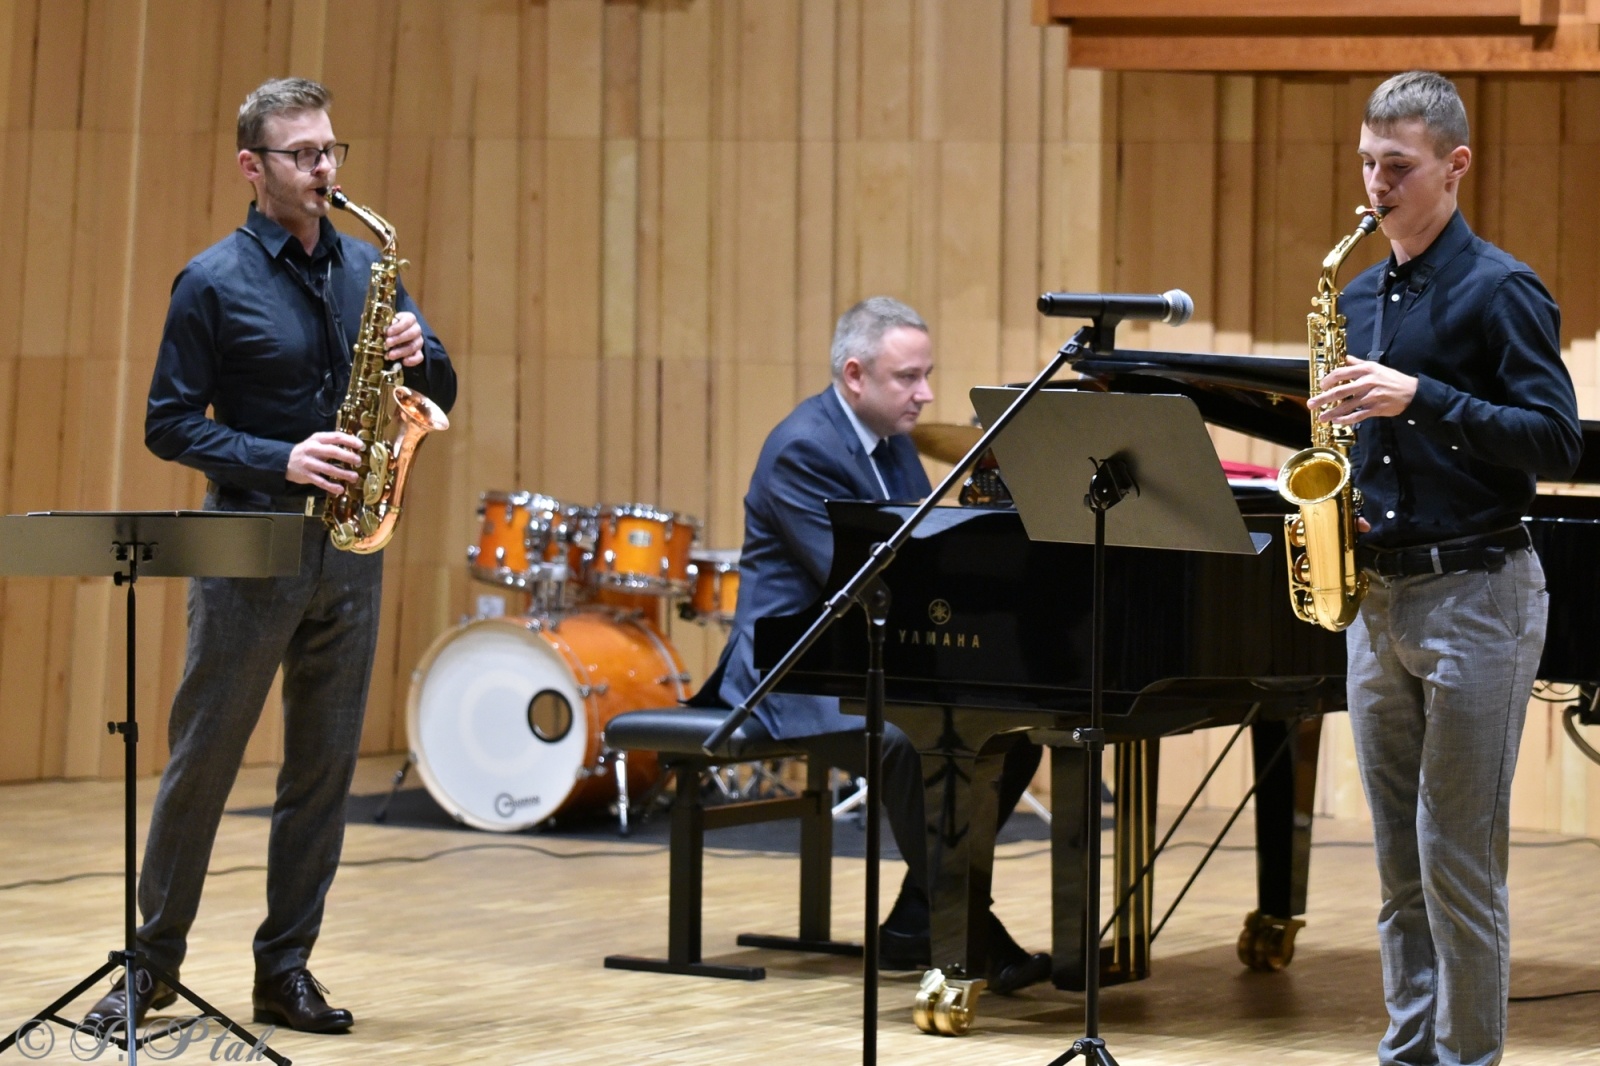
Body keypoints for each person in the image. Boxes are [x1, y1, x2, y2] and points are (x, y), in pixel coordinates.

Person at [81, 77, 457, 1036]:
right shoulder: (210, 281)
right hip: (251, 548)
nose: (325, 168)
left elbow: (441, 387)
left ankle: (285, 969)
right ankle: (151, 965)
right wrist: (279, 457)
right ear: (254, 168)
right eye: (303, 154)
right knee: (203, 762)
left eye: (332, 150)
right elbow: (170, 425)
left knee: (322, 771)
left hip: (352, 550)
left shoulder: (369, 268)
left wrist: (425, 350)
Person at [1310, 71, 1580, 1066]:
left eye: (1397, 167)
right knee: (1396, 863)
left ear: (1454, 166)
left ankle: (1469, 1059)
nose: (1374, 186)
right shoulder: (1356, 295)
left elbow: (1554, 441)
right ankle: (1407, 1052)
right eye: (1367, 164)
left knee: (1455, 855)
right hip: (1378, 597)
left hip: (1477, 593)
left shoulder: (1498, 289)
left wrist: (1421, 395)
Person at [698, 296, 1050, 994]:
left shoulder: (893, 446)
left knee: (1015, 736)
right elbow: (857, 580)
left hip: (867, 659)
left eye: (927, 375)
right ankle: (971, 930)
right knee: (901, 737)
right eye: (908, 378)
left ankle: (919, 917)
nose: (925, 394)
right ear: (855, 375)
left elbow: (921, 566)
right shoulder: (804, 448)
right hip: (792, 671)